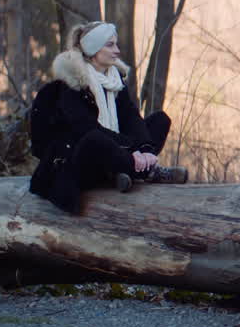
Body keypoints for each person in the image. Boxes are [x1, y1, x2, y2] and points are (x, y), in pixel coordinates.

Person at [29, 21, 187, 214]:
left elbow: (130, 117)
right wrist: (131, 149)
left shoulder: (113, 79)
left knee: (160, 120)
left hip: (113, 150)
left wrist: (144, 148)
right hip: (78, 161)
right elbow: (86, 129)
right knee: (95, 139)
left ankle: (122, 171)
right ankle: (147, 172)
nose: (117, 51)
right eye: (110, 45)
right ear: (94, 50)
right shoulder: (71, 84)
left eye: (116, 44)